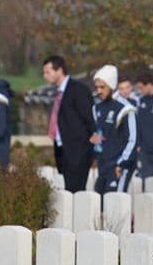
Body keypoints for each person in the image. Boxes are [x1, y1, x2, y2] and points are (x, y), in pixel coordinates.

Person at [42, 55, 99, 193]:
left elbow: (90, 119)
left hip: (78, 152)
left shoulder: (78, 89)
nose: (45, 76)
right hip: (64, 150)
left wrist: (88, 148)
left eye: (48, 72)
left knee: (77, 192)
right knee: (69, 192)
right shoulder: (58, 92)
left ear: (59, 70)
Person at [92, 65, 137, 194]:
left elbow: (132, 140)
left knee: (115, 203)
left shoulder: (126, 109)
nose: (99, 90)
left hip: (119, 166)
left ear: (111, 86)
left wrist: (121, 164)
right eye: (97, 87)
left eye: (102, 87)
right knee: (98, 199)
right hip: (103, 165)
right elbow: (98, 135)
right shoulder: (96, 108)